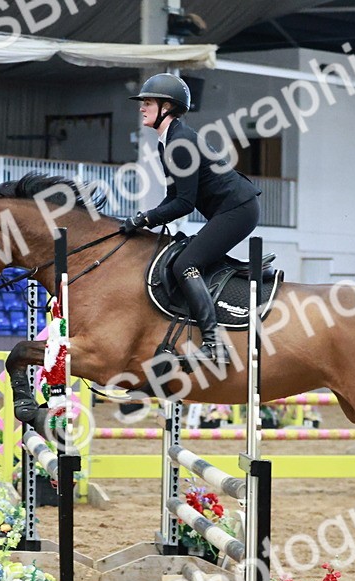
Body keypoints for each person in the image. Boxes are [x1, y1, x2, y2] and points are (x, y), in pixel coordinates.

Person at [121, 73, 261, 366]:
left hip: (238, 210)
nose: (141, 107)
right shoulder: (168, 142)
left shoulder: (180, 143)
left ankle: (214, 343)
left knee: (186, 264)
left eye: (148, 102)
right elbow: (174, 196)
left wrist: (144, 219)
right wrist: (144, 220)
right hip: (229, 209)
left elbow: (184, 204)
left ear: (167, 107)